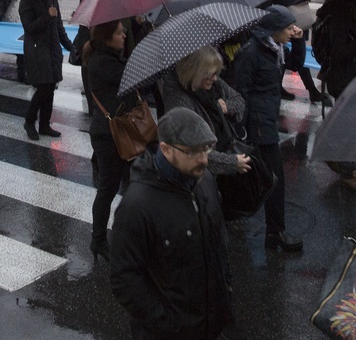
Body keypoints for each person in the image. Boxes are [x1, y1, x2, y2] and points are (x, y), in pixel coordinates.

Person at [110, 108, 238, 339]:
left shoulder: (205, 180)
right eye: (192, 152)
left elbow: (219, 242)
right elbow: (124, 279)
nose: (204, 159)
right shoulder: (137, 206)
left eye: (206, 149)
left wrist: (225, 290)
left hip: (212, 326)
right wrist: (167, 324)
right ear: (166, 150)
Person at [234, 6, 306, 252]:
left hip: (267, 119)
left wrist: (299, 40)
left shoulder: (275, 49)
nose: (291, 31)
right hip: (258, 125)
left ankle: (272, 231)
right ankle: (275, 231)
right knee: (274, 179)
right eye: (287, 28)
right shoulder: (251, 52)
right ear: (274, 29)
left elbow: (296, 64)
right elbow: (240, 91)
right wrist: (242, 129)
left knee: (266, 178)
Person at [84, 20, 138, 262]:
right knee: (108, 188)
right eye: (119, 32)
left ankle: (126, 235)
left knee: (127, 183)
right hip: (109, 135)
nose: (124, 34)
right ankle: (98, 240)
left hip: (116, 131)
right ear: (107, 37)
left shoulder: (108, 56)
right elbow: (132, 80)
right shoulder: (103, 63)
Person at [163, 45, 251, 180]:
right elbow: (193, 150)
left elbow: (239, 100)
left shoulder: (216, 85)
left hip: (225, 156)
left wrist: (227, 106)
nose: (215, 78)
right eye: (210, 74)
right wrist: (231, 162)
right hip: (201, 176)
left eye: (217, 73)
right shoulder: (180, 103)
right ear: (195, 71)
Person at [19, 0, 75, 140]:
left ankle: (44, 124)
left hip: (53, 50)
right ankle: (29, 120)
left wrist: (70, 46)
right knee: (43, 88)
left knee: (50, 88)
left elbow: (58, 26)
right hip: (37, 51)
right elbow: (29, 28)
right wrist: (47, 16)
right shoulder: (26, 1)